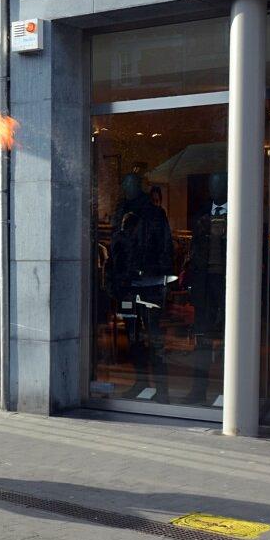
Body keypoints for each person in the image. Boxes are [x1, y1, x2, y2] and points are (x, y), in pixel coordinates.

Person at [109, 173, 174, 404]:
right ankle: (141, 381)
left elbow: (166, 248)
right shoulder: (122, 213)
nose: (127, 188)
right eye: (124, 184)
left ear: (139, 187)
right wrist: (114, 280)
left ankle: (162, 387)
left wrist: (161, 279)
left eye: (130, 184)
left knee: (154, 335)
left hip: (150, 286)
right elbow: (115, 249)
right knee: (133, 333)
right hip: (127, 286)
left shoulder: (155, 214)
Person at [183, 172, 227, 405]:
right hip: (204, 283)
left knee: (228, 339)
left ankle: (229, 393)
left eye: (218, 185)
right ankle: (198, 390)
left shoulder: (239, 210)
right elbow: (194, 250)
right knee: (202, 339)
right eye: (212, 186)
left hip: (227, 283)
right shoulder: (202, 213)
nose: (214, 190)